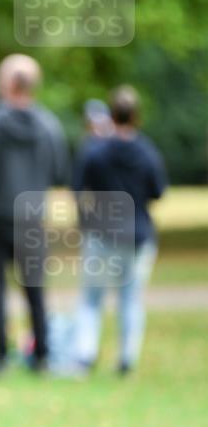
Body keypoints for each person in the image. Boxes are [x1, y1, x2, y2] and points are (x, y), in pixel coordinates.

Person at [0, 54, 69, 374]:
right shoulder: (49, 126)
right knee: (36, 291)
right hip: (32, 218)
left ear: (4, 84)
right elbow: (60, 171)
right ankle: (43, 356)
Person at [72, 85, 167, 374]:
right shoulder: (147, 152)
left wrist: (86, 219)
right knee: (130, 298)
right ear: (136, 116)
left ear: (111, 115)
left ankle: (85, 355)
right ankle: (127, 357)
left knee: (91, 298)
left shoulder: (96, 151)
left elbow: (77, 189)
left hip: (101, 234)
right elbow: (158, 191)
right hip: (137, 236)